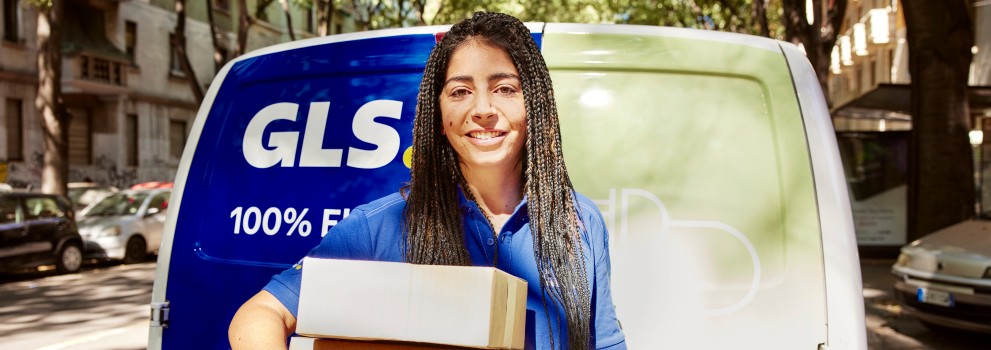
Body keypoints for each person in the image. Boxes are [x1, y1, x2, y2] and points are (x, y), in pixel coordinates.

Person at [229, 12, 626, 350]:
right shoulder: (381, 225)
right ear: (437, 113)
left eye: (505, 88)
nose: (483, 109)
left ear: (533, 103)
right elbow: (260, 313)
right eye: (460, 91)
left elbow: (605, 342)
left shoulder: (580, 222)